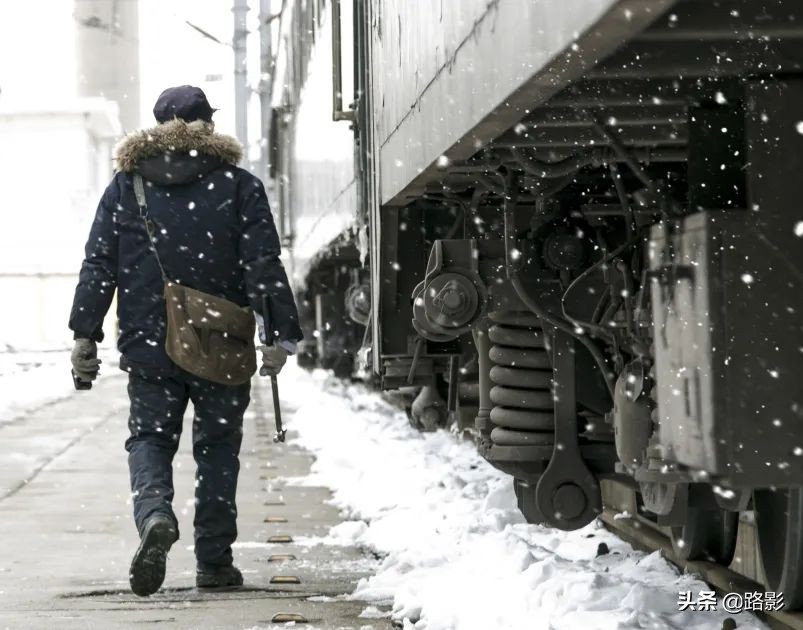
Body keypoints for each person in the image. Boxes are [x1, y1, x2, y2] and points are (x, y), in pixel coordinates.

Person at [68, 86, 302, 596]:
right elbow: (263, 264)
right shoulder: (239, 186)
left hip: (150, 341)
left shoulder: (126, 187)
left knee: (150, 439)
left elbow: (99, 264)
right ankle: (214, 562)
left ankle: (154, 512)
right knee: (217, 448)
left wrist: (84, 333)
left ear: (157, 127)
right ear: (207, 125)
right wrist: (279, 334)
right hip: (220, 338)